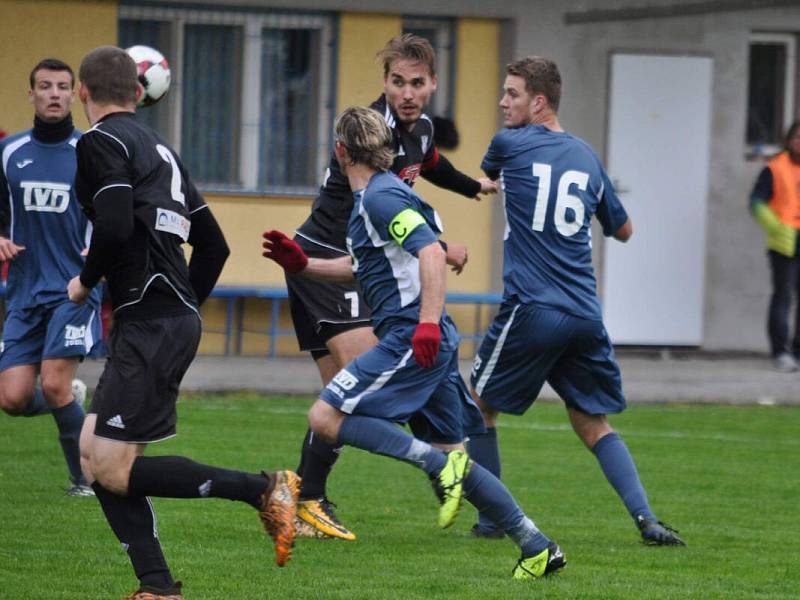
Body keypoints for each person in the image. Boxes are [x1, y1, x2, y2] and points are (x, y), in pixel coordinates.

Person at [264, 105, 565, 580]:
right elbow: (369, 266)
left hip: (412, 334)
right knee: (453, 457)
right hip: (427, 335)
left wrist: (423, 323)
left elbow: (429, 251)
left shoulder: (381, 198)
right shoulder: (379, 198)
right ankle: (537, 545)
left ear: (340, 152)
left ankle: (408, 470)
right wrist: (305, 266)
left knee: (325, 417)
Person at [68, 46, 299, 600]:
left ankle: (264, 489)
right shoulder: (161, 151)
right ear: (139, 92)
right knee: (91, 450)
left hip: (150, 320)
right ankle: (155, 586)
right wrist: (182, 308)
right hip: (163, 317)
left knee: (112, 469)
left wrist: (86, 280)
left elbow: (117, 223)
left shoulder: (101, 142)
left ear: (83, 93)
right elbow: (213, 246)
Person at [466, 57, 685, 546]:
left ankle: (490, 521)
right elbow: (624, 230)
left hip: (533, 308)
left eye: (512, 94)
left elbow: (489, 178)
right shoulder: (587, 157)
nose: (503, 102)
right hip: (585, 312)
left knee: (476, 405)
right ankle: (646, 520)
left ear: (538, 102)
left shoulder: (508, 144)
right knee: (592, 421)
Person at [288, 33, 497, 541]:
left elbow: (428, 163)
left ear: (432, 85)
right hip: (330, 263)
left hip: (328, 265)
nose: (407, 93)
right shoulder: (373, 134)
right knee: (364, 389)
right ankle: (433, 467)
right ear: (384, 83)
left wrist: (473, 187)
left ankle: (306, 501)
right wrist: (441, 249)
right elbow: (390, 215)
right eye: (398, 82)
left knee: (339, 396)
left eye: (417, 83)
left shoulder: (421, 129)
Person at [0, 58, 100, 496]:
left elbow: (118, 211)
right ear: (32, 94)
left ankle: (86, 479)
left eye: (63, 86)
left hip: (73, 290)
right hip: (24, 292)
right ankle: (71, 405)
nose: (54, 93)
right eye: (45, 86)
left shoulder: (92, 152)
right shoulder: (9, 153)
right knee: (14, 399)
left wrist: (102, 248)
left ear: (75, 93)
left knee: (54, 382)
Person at [749, 122, 800, 372]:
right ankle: (781, 352)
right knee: (783, 296)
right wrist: (777, 227)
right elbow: (756, 203)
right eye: (797, 137)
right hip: (785, 241)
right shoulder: (775, 168)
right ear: (789, 139)